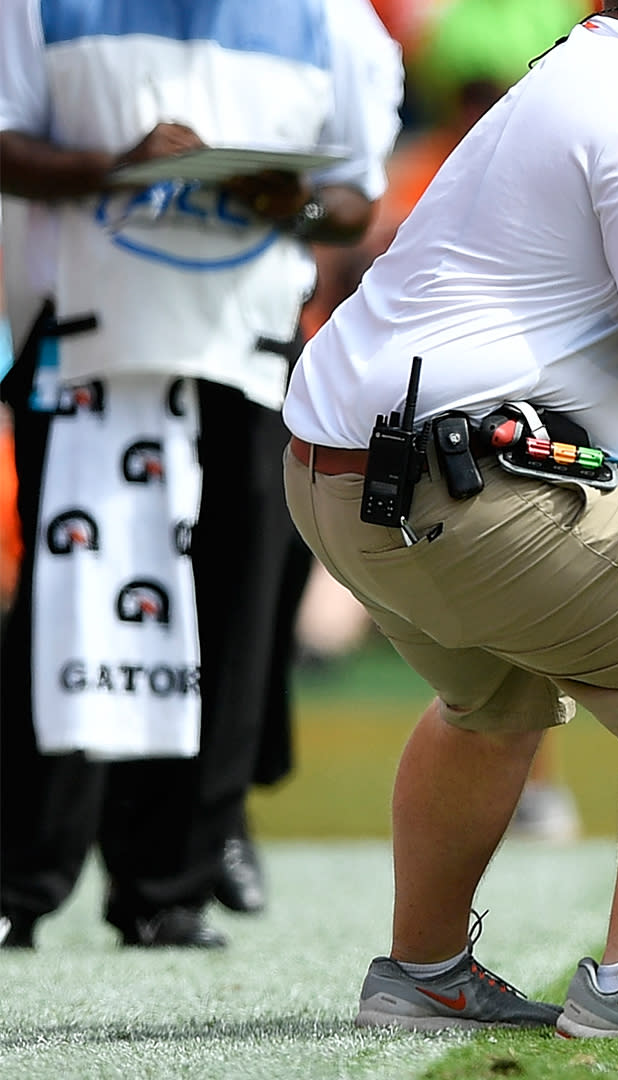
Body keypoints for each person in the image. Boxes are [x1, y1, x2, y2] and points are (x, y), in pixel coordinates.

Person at [281, 0, 618, 1037]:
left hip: (335, 474)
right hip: (461, 475)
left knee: (495, 701)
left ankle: (423, 971)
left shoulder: (570, 74)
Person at [0, 0, 401, 950]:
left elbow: (351, 196)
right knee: (65, 602)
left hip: (248, 346)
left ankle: (170, 882)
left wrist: (282, 199)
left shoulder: (334, 19)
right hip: (82, 334)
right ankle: (20, 876)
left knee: (231, 609)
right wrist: (114, 166)